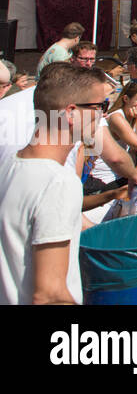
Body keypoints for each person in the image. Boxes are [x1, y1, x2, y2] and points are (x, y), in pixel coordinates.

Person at [0, 65, 115, 303]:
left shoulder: (9, 165)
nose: (103, 115)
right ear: (71, 113)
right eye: (99, 107)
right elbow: (49, 295)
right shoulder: (58, 182)